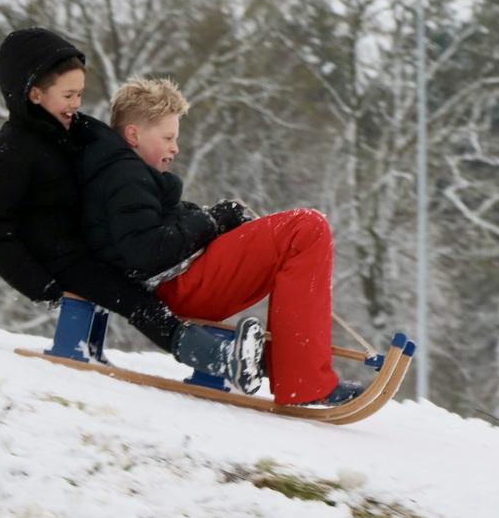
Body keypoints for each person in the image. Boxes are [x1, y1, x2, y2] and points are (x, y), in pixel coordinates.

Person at [0, 27, 263, 393]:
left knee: (155, 275)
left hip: (93, 241)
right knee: (139, 303)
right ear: (34, 93)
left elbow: (118, 161)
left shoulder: (73, 131)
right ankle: (215, 357)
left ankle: (245, 354)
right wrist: (41, 285)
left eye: (80, 93)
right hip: (61, 261)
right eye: (69, 94)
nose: (77, 102)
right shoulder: (7, 155)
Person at [75, 77, 364, 406]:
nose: (175, 147)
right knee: (306, 228)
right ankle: (303, 381)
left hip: (186, 280)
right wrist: (211, 221)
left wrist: (217, 220)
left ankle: (294, 368)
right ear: (134, 134)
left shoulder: (128, 177)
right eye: (168, 137)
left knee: (297, 236)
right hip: (180, 287)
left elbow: (160, 231)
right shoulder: (125, 179)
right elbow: (146, 253)